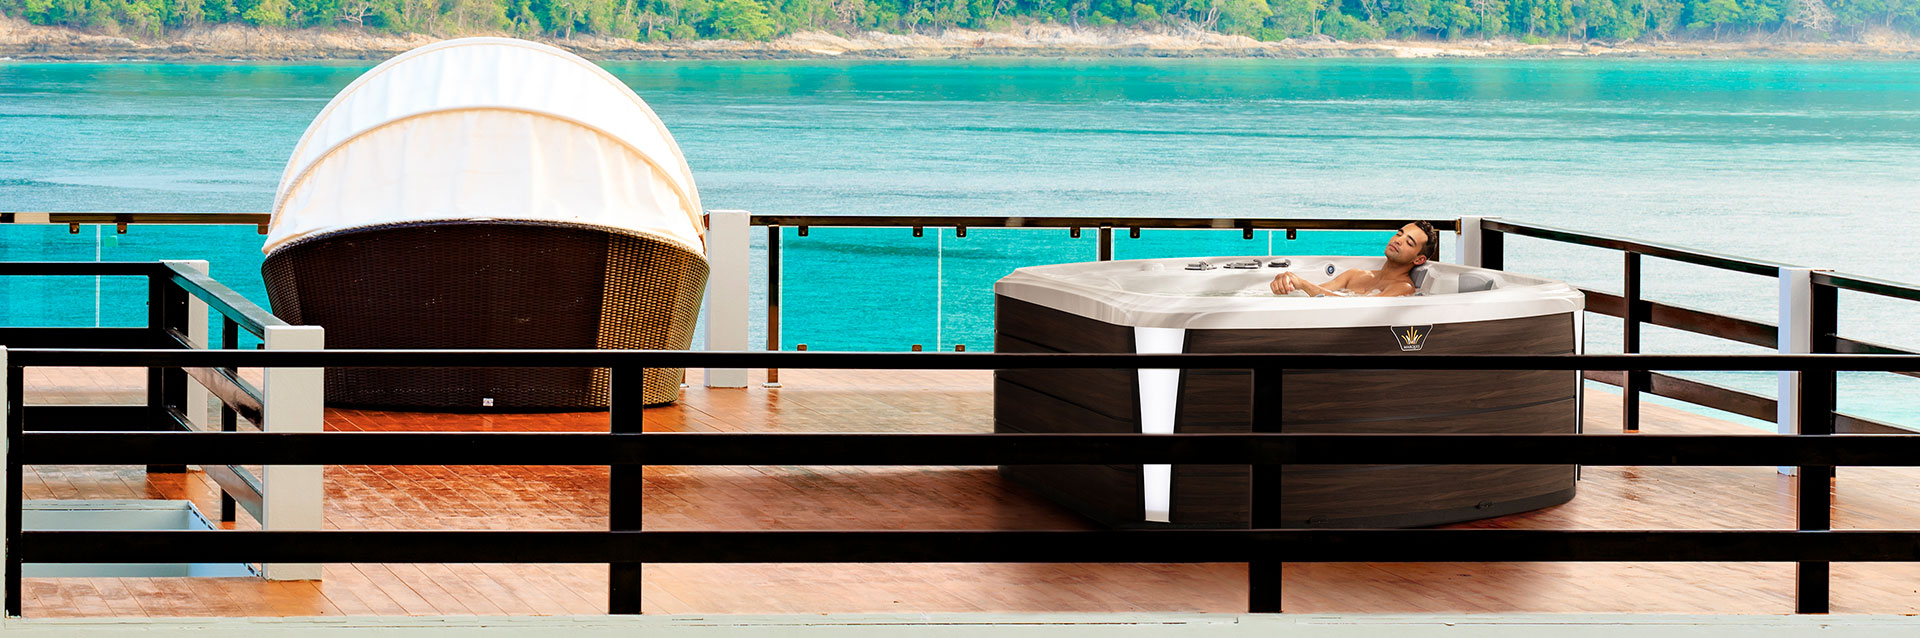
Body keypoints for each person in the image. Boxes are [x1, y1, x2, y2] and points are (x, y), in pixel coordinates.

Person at [1270, 221, 1439, 298]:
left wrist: (1303, 283)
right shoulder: (1354, 275)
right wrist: (1287, 282)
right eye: (1399, 234)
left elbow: (1358, 311)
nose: (1398, 240)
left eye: (1409, 242)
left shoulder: (1403, 288)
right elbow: (1310, 294)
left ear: (1419, 260)